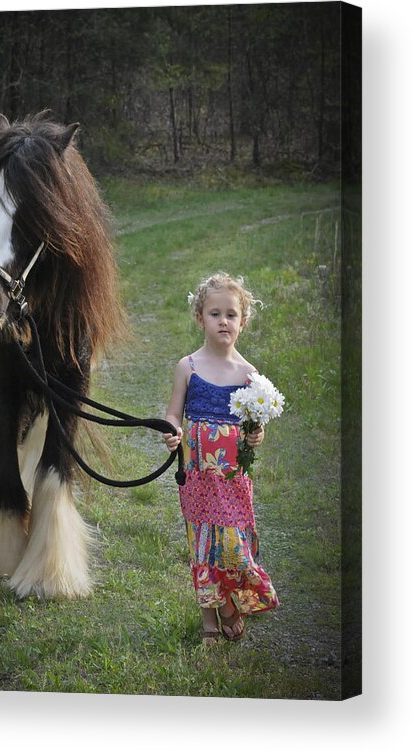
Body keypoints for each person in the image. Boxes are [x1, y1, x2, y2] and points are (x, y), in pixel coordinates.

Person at [163, 272, 279, 645]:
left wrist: (257, 435)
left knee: (231, 543)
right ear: (200, 318)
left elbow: (254, 430)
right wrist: (171, 431)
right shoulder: (189, 367)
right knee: (202, 544)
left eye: (231, 314)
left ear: (243, 321)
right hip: (197, 477)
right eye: (215, 313)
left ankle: (230, 602)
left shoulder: (249, 376)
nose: (223, 321)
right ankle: (209, 618)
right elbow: (172, 414)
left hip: (231, 480)